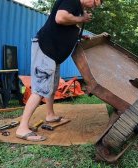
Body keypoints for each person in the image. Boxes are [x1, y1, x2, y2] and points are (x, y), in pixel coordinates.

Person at [16, 0, 103, 141]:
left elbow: (66, 28)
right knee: (40, 89)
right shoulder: (72, 1)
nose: (93, 6)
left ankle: (50, 114)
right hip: (46, 49)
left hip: (53, 54)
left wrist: (79, 35)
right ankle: (22, 128)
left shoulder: (78, 8)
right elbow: (60, 18)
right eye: (94, 3)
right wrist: (82, 19)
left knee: (53, 85)